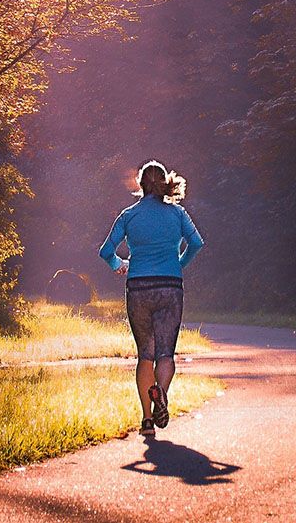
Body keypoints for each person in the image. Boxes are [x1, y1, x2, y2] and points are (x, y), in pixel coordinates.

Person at [98, 160, 205, 437]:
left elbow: (105, 251)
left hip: (139, 287)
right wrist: (179, 263)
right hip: (170, 286)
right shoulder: (178, 214)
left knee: (145, 354)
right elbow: (197, 243)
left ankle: (147, 421)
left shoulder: (128, 215)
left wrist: (119, 264)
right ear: (164, 183)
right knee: (165, 353)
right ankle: (161, 394)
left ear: (140, 184)